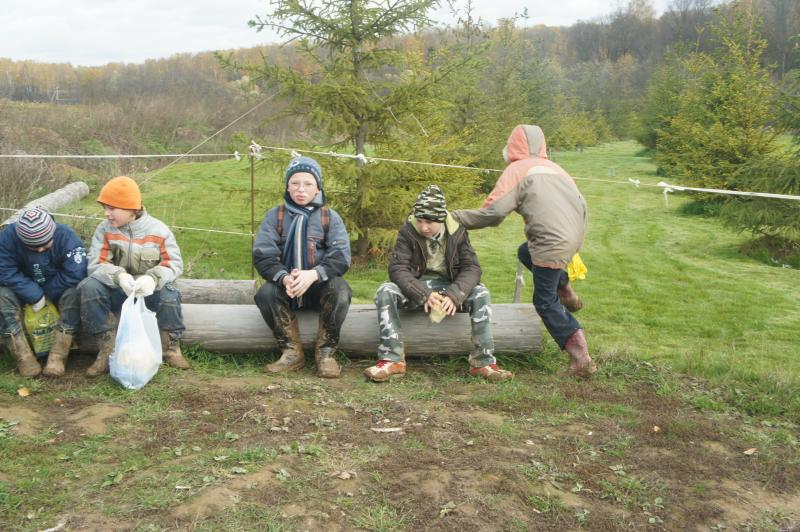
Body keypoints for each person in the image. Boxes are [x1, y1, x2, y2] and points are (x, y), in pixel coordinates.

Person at [451, 125, 597, 377]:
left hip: (551, 240)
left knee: (544, 301)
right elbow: (580, 202)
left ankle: (581, 359)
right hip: (574, 235)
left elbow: (494, 213)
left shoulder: (517, 169)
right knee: (525, 252)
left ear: (512, 146)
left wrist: (453, 218)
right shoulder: (556, 168)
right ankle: (565, 288)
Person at [364, 184, 513, 383]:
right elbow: (398, 269)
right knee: (385, 290)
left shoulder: (458, 231)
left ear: (441, 219)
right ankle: (392, 360)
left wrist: (454, 294)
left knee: (481, 293)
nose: (423, 227)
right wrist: (423, 293)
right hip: (418, 287)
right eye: (419, 221)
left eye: (429, 222)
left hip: (449, 287)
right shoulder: (408, 231)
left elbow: (472, 268)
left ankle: (483, 362)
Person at [80, 175, 190, 377]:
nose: (106, 214)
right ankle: (107, 350)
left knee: (170, 292)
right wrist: (118, 276)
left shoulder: (159, 230)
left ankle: (170, 349)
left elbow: (173, 264)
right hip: (118, 290)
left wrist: (153, 278)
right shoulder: (104, 230)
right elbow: (96, 264)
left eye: (111, 208)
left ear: (130, 208)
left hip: (148, 292)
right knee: (89, 287)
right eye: (104, 208)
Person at [253, 156, 352, 379]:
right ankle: (291, 352)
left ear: (318, 187)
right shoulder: (275, 216)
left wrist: (313, 274)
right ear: (287, 186)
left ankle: (326, 354)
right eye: (295, 183)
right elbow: (263, 255)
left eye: (308, 183)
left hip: (318, 286)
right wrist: (285, 278)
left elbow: (341, 256)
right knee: (265, 293)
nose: (301, 189)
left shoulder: (329, 217)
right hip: (287, 287)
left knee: (340, 289)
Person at [0, 207, 87, 377]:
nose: (40, 250)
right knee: (2, 295)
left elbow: (75, 272)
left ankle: (58, 355)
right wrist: (33, 294)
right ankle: (23, 357)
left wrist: (46, 294)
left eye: (45, 245)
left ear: (52, 232)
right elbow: (3, 270)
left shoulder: (66, 236)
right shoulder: (8, 238)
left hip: (58, 288)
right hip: (21, 289)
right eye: (33, 247)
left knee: (74, 293)